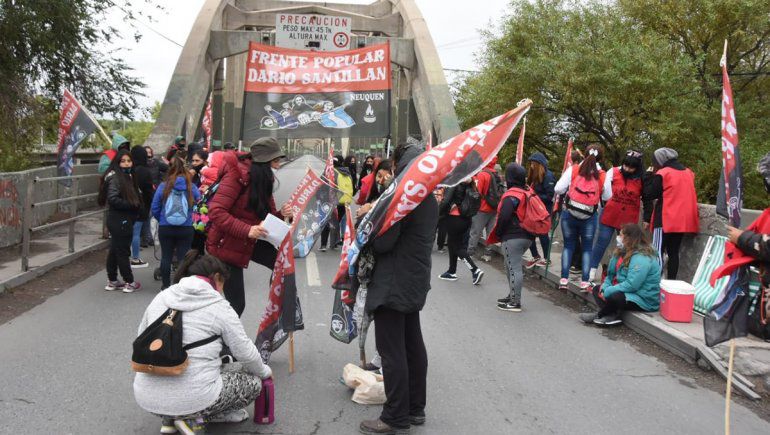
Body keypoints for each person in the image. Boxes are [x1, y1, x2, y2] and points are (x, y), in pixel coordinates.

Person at [133, 251, 272, 434]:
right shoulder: (218, 305)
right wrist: (265, 372)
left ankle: (170, 418)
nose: (222, 290)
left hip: (147, 397)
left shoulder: (161, 297)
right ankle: (195, 418)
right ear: (216, 278)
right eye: (222, 283)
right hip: (195, 398)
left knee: (224, 366)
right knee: (254, 382)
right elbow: (245, 352)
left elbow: (141, 338)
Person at [359, 143, 437, 434]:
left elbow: (383, 243)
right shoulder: (427, 194)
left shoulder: (404, 194)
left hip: (393, 281)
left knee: (391, 351)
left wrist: (369, 225)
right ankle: (415, 408)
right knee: (412, 345)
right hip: (415, 279)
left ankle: (394, 416)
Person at [206, 138, 291, 317]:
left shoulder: (264, 179)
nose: (277, 165)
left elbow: (265, 217)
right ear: (263, 161)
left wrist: (281, 214)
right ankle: (220, 341)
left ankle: (276, 308)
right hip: (225, 245)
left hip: (249, 240)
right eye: (275, 160)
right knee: (236, 305)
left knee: (282, 263)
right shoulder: (236, 175)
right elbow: (216, 211)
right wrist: (247, 230)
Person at [580, 223, 661, 326]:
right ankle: (609, 314)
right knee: (597, 289)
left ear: (629, 238)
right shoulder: (621, 251)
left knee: (615, 296)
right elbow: (610, 275)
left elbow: (632, 285)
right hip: (629, 292)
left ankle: (601, 315)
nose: (618, 237)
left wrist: (610, 290)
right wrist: (606, 286)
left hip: (644, 298)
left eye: (621, 235)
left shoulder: (642, 257)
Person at [554, 144, 608, 291]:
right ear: (601, 157)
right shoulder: (602, 174)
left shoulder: (575, 169)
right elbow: (608, 196)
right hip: (589, 216)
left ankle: (564, 279)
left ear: (585, 154)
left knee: (569, 246)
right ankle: (585, 282)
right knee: (587, 249)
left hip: (569, 213)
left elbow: (558, 188)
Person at [643, 147, 699, 280]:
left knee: (657, 252)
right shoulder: (688, 172)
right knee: (674, 253)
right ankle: (671, 284)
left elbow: (649, 194)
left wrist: (648, 176)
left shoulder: (663, 173)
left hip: (665, 218)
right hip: (682, 220)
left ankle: (654, 284)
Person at [589, 150, 645, 281]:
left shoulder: (641, 178)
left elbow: (647, 195)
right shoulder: (613, 172)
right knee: (602, 241)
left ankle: (620, 274)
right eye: (625, 165)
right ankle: (591, 270)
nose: (627, 169)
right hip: (611, 213)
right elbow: (605, 191)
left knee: (625, 246)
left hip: (628, 218)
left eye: (631, 167)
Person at [489, 163, 535, 312]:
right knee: (510, 266)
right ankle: (512, 295)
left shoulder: (512, 195)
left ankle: (515, 302)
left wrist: (500, 233)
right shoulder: (527, 192)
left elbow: (504, 216)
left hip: (513, 236)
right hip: (527, 236)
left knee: (514, 267)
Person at [151, 158, 201, 289]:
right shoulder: (191, 186)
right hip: (186, 227)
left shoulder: (164, 185)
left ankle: (166, 286)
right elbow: (199, 203)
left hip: (165, 226)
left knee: (166, 256)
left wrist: (162, 218)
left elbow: (155, 206)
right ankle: (180, 286)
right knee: (183, 258)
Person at [98, 150, 142, 293]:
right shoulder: (117, 178)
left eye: (128, 161)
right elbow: (112, 199)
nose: (126, 163)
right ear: (117, 162)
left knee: (114, 250)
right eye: (123, 161)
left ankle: (112, 280)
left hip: (119, 219)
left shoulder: (125, 176)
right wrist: (132, 204)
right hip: (120, 219)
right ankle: (129, 281)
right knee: (122, 251)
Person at [438, 178, 484, 285]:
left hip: (455, 218)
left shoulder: (455, 182)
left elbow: (446, 201)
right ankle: (451, 271)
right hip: (466, 218)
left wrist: (437, 213)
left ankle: (475, 270)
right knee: (452, 244)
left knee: (456, 247)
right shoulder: (470, 183)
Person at [524, 152, 556, 269]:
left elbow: (549, 196)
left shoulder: (548, 176)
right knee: (529, 232)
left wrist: (533, 195)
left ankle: (547, 259)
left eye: (533, 164)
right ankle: (535, 255)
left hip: (544, 210)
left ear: (539, 165)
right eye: (531, 164)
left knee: (543, 234)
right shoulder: (535, 176)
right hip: (533, 209)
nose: (532, 166)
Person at [468, 157, 501, 262]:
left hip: (482, 209)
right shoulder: (497, 175)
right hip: (494, 208)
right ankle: (488, 254)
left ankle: (470, 254)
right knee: (490, 233)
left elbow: (477, 192)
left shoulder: (482, 174)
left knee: (475, 232)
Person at [320, 155, 354, 251]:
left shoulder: (330, 171)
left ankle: (323, 245)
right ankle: (334, 243)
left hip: (331, 200)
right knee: (336, 222)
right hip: (343, 201)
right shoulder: (347, 172)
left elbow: (321, 184)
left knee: (327, 222)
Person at [129, 146, 155, 269]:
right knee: (136, 233)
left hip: (127, 205)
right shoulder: (145, 171)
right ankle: (135, 257)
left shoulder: (129, 170)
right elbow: (149, 192)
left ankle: (124, 256)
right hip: (141, 205)